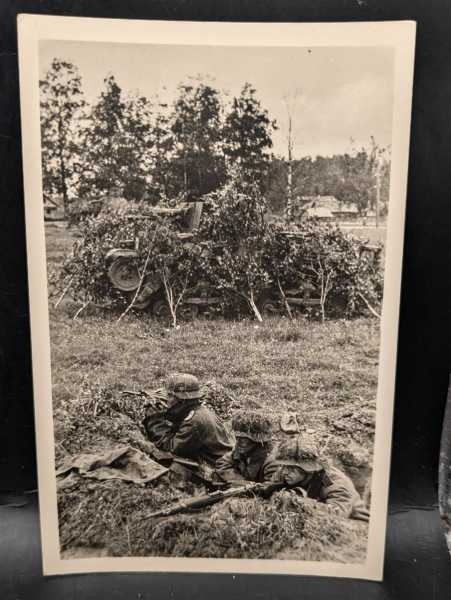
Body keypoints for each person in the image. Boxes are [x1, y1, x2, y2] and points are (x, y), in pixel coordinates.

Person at [268, 437, 370, 521]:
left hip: (354, 526)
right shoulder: (286, 473)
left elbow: (337, 514)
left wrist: (299, 502)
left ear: (308, 469)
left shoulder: (334, 482)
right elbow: (270, 487)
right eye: (284, 466)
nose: (285, 471)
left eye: (291, 468)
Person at [143, 373, 234, 466]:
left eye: (170, 396)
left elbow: (171, 448)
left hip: (219, 468)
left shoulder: (194, 422)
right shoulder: (200, 411)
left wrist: (154, 420)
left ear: (182, 400)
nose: (167, 400)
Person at [215, 411, 276, 484]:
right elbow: (222, 463)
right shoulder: (241, 452)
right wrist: (241, 482)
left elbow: (270, 487)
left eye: (243, 438)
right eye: (237, 437)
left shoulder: (270, 461)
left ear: (256, 441)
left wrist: (250, 487)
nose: (238, 441)